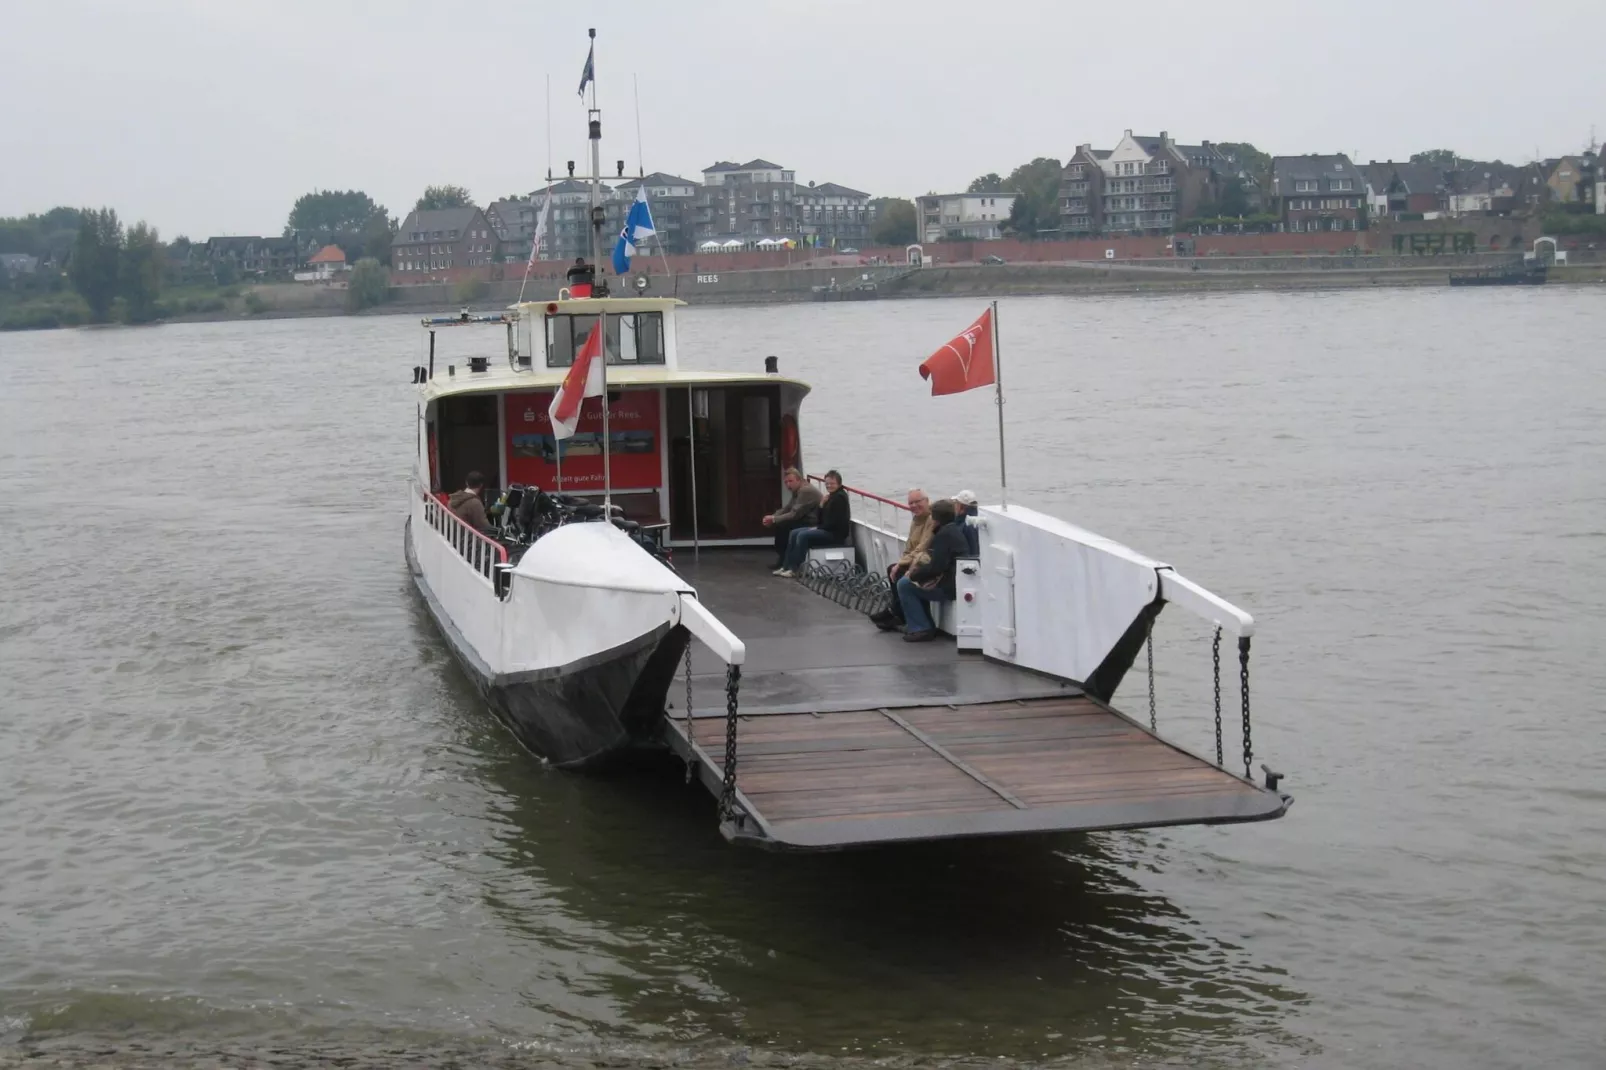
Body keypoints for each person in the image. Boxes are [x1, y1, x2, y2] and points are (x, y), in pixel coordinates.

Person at [896, 499, 967, 642]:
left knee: (904, 584)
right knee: (911, 582)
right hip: (954, 580)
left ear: (936, 518)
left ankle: (921, 628)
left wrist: (915, 574)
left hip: (948, 585)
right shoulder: (952, 530)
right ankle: (923, 624)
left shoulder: (944, 535)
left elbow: (937, 566)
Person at [869, 489, 934, 631]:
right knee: (892, 569)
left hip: (926, 561)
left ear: (927, 501)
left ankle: (896, 613)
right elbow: (909, 546)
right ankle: (897, 612)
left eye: (918, 502)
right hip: (916, 559)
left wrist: (901, 564)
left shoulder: (931, 520)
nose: (914, 506)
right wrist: (901, 562)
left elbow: (923, 547)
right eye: (911, 503)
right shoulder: (916, 520)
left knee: (898, 572)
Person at [774, 469, 851, 577]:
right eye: (827, 483)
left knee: (803, 535)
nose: (829, 486)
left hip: (835, 534)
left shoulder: (839, 498)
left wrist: (818, 528)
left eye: (832, 483)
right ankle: (786, 566)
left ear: (839, 483)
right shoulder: (830, 497)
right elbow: (821, 518)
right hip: (826, 529)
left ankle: (795, 569)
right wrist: (821, 505)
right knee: (794, 533)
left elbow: (835, 522)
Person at [761, 467, 823, 570]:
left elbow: (795, 514)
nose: (788, 485)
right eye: (786, 482)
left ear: (799, 480)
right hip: (803, 518)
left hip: (812, 522)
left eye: (790, 481)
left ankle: (786, 561)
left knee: (784, 527)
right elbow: (788, 508)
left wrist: (774, 519)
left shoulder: (805, 491)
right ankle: (783, 559)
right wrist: (773, 516)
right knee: (781, 525)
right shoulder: (798, 489)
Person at [951, 489, 981, 556]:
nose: (954, 506)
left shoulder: (968, 526)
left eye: (956, 503)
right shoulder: (979, 519)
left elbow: (973, 550)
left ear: (961, 506)